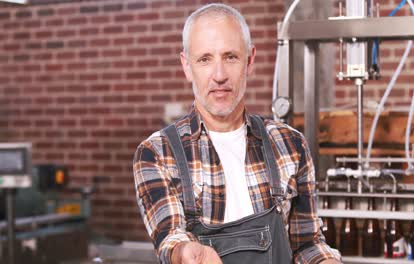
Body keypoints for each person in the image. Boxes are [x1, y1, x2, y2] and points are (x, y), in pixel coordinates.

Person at [133, 3, 341, 264]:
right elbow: (170, 238)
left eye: (230, 57)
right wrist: (185, 253)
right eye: (205, 59)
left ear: (250, 60)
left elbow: (307, 244)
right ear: (187, 66)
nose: (219, 75)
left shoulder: (290, 144)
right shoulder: (157, 153)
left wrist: (326, 261)